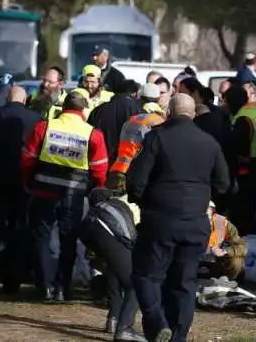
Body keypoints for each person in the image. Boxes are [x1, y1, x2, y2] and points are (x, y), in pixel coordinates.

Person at [127, 93, 231, 342]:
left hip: (160, 220)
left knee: (146, 275)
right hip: (196, 223)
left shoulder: (156, 137)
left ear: (169, 113)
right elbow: (224, 184)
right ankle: (178, 337)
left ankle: (156, 321)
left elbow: (136, 181)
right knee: (185, 283)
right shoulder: (209, 143)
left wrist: (144, 202)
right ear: (193, 114)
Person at [20, 90, 109, 301]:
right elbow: (99, 170)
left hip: (43, 192)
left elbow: (27, 159)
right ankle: (62, 288)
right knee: (68, 241)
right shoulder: (92, 134)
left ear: (63, 107)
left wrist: (28, 182)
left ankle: (45, 287)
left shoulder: (45, 127)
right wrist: (96, 189)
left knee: (41, 239)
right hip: (73, 196)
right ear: (83, 109)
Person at [0, 86, 41, 295]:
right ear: (25, 100)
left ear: (7, 98)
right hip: (24, 183)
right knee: (19, 231)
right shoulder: (36, 118)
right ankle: (12, 281)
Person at [81, 185, 145, 342]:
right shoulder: (141, 205)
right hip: (108, 227)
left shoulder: (117, 200)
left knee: (114, 272)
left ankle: (114, 319)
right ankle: (125, 329)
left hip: (90, 225)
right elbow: (132, 237)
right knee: (136, 282)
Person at [224, 83, 256, 237]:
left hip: (248, 168)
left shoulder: (242, 118)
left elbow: (238, 147)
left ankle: (249, 236)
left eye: (225, 101)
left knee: (244, 210)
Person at [109, 84, 166, 178]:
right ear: (158, 99)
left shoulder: (132, 118)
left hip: (117, 169)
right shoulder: (160, 120)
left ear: (138, 97)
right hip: (136, 172)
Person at [89, 79, 143, 166]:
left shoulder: (99, 109)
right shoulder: (138, 110)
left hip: (99, 162)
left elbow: (89, 135)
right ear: (134, 93)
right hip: (126, 165)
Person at [201, 202, 247, 281]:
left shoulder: (224, 224)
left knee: (237, 261)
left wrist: (225, 251)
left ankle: (226, 281)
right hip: (192, 260)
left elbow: (242, 247)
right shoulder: (188, 222)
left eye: (208, 210)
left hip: (216, 262)